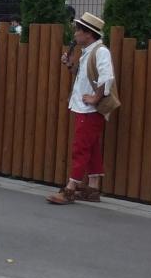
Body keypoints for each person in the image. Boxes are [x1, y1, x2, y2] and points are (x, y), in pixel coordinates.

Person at [48, 12, 116, 205]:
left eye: (78, 30)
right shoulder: (89, 51)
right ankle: (93, 188)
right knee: (91, 147)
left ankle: (70, 188)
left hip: (89, 110)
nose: (75, 34)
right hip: (84, 108)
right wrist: (70, 65)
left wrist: (95, 98)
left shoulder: (100, 51)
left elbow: (107, 77)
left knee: (80, 148)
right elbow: (84, 76)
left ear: (88, 33)